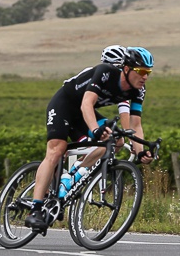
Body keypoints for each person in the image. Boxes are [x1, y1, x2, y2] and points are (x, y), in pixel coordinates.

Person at [24, 47, 156, 232]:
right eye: (141, 71)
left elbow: (135, 125)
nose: (145, 77)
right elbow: (87, 103)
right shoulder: (106, 73)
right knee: (56, 150)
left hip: (83, 113)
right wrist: (95, 129)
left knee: (116, 141)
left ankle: (75, 174)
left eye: (148, 73)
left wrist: (141, 149)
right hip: (65, 104)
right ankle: (35, 210)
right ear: (126, 69)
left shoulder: (137, 90)